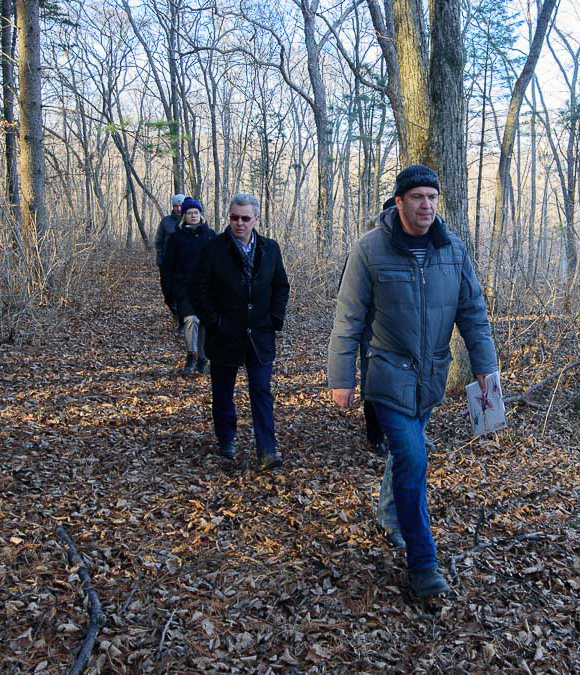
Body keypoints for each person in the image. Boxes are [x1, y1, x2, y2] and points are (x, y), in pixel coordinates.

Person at [327, 165, 498, 599]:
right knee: (414, 459)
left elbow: (473, 313)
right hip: (387, 375)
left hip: (430, 379)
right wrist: (342, 377)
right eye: (418, 197)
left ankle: (389, 516)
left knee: (406, 458)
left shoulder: (452, 250)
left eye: (432, 197)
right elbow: (348, 318)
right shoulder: (370, 249)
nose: (426, 205)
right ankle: (424, 565)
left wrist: (485, 368)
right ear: (400, 202)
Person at [190, 194, 290, 470]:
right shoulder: (213, 248)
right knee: (223, 391)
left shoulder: (270, 248)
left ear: (256, 219)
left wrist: (274, 318)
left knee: (261, 390)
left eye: (245, 218)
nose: (239, 223)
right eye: (234, 217)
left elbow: (281, 286)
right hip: (224, 334)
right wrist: (215, 322)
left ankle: (267, 449)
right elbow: (198, 289)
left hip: (260, 334)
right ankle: (226, 438)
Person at [161, 197, 215, 375]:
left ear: (201, 214)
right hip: (184, 288)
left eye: (196, 212)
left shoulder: (211, 236)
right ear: (184, 216)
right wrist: (168, 293)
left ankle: (202, 358)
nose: (193, 215)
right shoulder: (176, 238)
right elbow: (168, 267)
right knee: (191, 319)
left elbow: (220, 263)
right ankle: (191, 354)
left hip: (208, 289)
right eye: (190, 213)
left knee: (204, 322)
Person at [156, 194, 187, 327]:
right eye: (176, 206)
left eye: (180, 206)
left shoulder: (190, 220)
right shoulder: (166, 222)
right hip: (167, 264)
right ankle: (175, 311)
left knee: (181, 293)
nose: (178, 209)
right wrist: (160, 259)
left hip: (184, 264)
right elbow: (159, 242)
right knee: (168, 293)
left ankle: (182, 319)